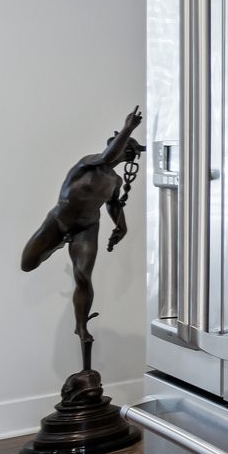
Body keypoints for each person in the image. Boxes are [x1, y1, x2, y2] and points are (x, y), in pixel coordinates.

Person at [21, 105, 144, 369]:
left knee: (83, 277)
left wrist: (121, 226)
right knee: (28, 263)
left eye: (129, 151)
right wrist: (128, 128)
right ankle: (56, 244)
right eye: (124, 148)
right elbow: (106, 156)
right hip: (59, 221)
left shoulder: (114, 181)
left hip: (87, 228)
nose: (126, 154)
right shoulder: (88, 162)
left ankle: (81, 326)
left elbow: (113, 204)